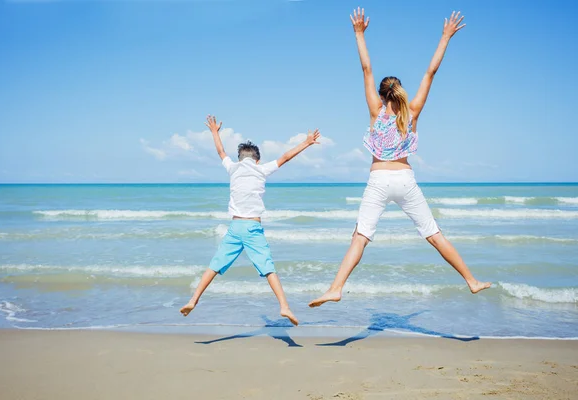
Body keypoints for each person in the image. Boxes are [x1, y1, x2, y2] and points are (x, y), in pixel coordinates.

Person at [309, 9, 491, 308]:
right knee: (433, 234)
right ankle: (471, 280)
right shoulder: (412, 111)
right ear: (400, 92)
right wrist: (445, 37)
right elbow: (430, 73)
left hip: (378, 179)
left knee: (360, 237)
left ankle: (336, 288)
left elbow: (366, 69)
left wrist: (358, 33)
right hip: (405, 180)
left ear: (382, 96)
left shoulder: (375, 111)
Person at [181, 115, 321, 325]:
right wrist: (307, 142)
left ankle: (193, 299)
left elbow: (221, 152)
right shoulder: (261, 169)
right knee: (268, 268)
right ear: (257, 160)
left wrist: (214, 132)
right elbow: (285, 157)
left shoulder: (232, 168)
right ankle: (284, 306)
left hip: (235, 227)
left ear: (240, 159)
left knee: (214, 266)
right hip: (253, 228)